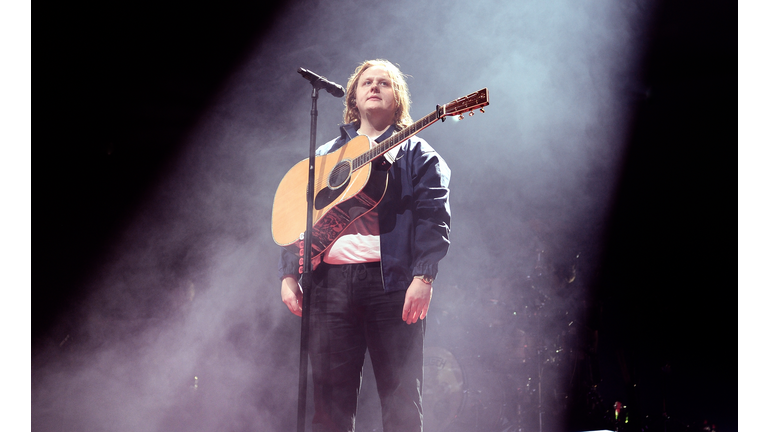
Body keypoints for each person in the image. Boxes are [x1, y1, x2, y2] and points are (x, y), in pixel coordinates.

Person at [279, 59, 451, 432]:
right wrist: (289, 272)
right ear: (353, 97)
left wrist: (425, 276)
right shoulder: (327, 153)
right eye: (366, 82)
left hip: (390, 284)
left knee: (401, 399)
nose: (374, 86)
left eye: (385, 83)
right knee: (328, 406)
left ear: (397, 98)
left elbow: (434, 217)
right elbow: (298, 217)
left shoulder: (416, 153)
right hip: (328, 285)